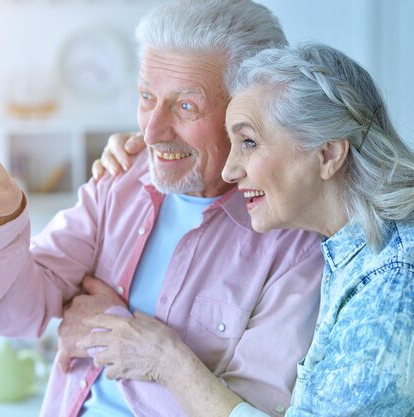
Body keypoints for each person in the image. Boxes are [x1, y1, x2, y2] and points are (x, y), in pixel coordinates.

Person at [0, 1, 325, 416]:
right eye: (146, 97)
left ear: (251, 111)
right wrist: (0, 221)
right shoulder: (121, 179)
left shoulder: (294, 244)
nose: (151, 130)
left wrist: (122, 336)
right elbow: (14, 316)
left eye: (185, 106)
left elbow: (251, 410)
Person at [82, 43, 414, 416]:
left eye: (249, 143)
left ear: (329, 155)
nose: (229, 170)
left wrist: (167, 360)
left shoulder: (392, 279)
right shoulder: (353, 253)